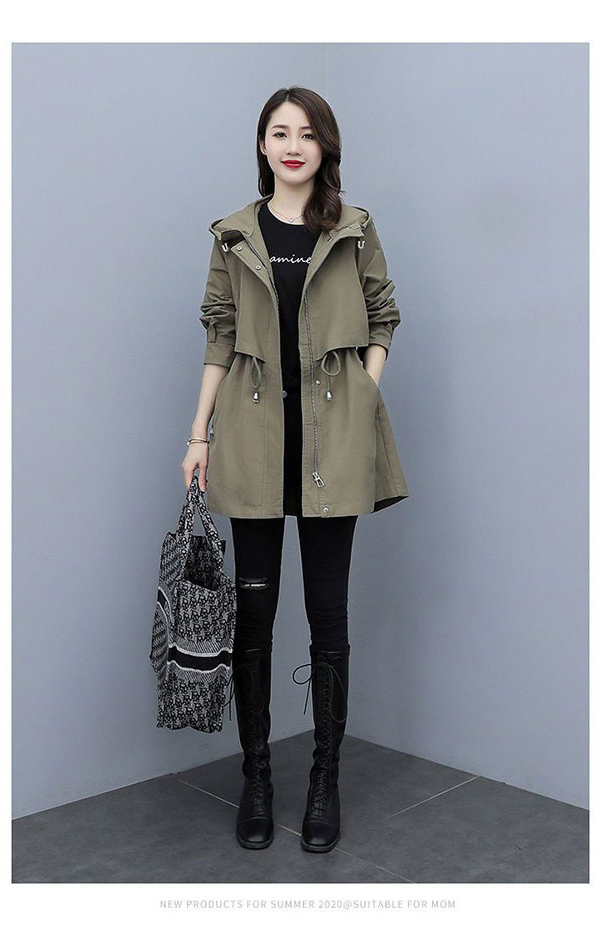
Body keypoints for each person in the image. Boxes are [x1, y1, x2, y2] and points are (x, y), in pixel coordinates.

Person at [182, 87, 408, 854]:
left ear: (324, 147)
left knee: (327, 616)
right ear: (262, 145)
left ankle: (323, 780)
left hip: (330, 444)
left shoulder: (354, 228)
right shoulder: (233, 234)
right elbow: (219, 333)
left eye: (306, 134)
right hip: (253, 440)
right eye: (279, 132)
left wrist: (362, 394)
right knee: (254, 620)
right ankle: (256, 779)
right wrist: (199, 433)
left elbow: (383, 314)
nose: (292, 145)